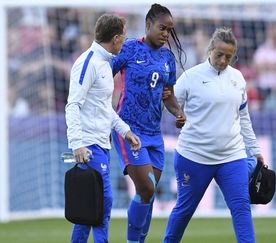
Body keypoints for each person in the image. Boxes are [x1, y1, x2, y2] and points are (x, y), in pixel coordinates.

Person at [163, 27, 264, 243]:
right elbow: (170, 104)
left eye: (229, 56)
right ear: (210, 49)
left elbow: (244, 117)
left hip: (231, 155)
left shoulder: (238, 78)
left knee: (241, 207)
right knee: (184, 211)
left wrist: (255, 150)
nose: (223, 60)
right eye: (219, 54)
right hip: (194, 156)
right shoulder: (191, 77)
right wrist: (177, 114)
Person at [110, 4, 186, 243]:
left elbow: (168, 94)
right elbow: (103, 74)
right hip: (129, 131)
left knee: (148, 194)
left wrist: (178, 112)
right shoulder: (130, 48)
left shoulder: (167, 58)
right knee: (147, 189)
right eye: (162, 28)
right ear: (148, 25)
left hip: (154, 135)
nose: (166, 34)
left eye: (170, 30)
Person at [65, 13, 141, 243]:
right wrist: (77, 143)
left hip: (101, 143)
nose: (124, 42)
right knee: (103, 201)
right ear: (116, 38)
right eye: (124, 38)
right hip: (88, 145)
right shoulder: (87, 63)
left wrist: (124, 130)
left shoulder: (104, 64)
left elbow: (103, 108)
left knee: (88, 207)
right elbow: (73, 105)